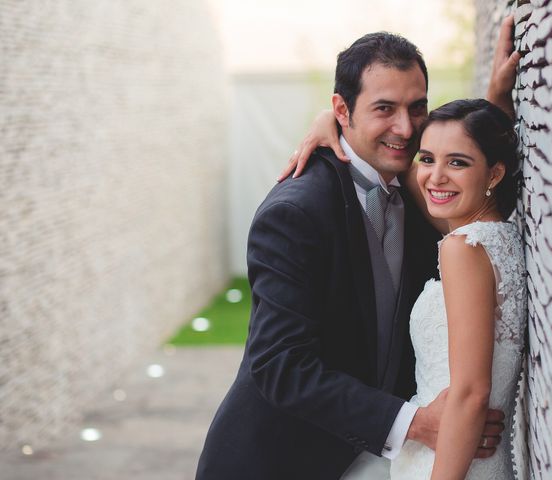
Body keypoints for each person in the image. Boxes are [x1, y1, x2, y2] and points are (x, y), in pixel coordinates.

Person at [196, 18, 520, 480]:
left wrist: (498, 102)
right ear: (342, 112)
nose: (405, 128)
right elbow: (280, 365)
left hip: (382, 463)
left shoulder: (421, 187)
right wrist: (416, 422)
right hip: (282, 462)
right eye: (384, 108)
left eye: (417, 107)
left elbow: (474, 179)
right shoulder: (296, 212)